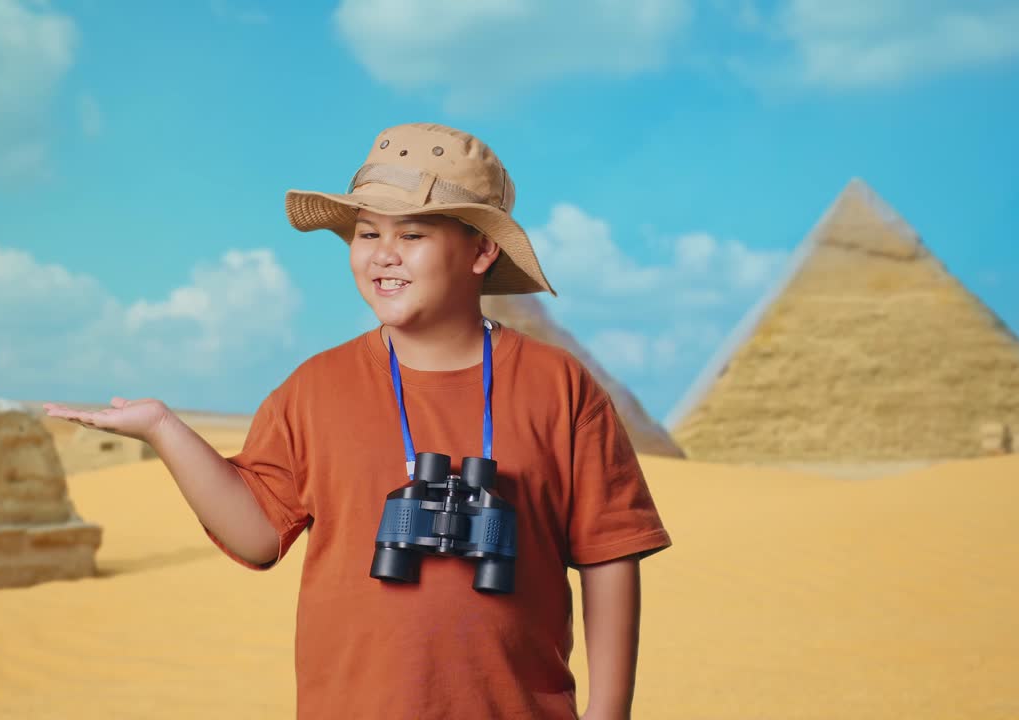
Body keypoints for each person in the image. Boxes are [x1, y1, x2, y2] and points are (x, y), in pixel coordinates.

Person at [45, 122, 671, 719]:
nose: (383, 256)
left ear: (481, 249)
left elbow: (609, 553)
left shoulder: (559, 387)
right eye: (368, 234)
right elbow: (258, 534)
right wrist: (164, 430)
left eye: (413, 235)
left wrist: (609, 710)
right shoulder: (315, 387)